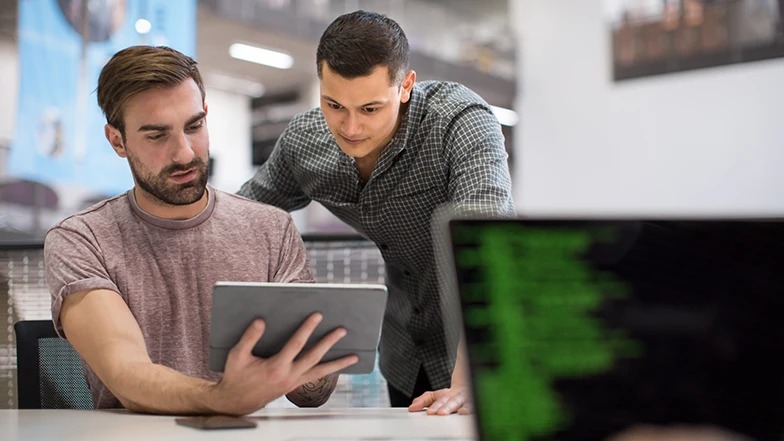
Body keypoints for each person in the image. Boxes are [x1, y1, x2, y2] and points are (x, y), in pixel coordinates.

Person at [44, 46, 358, 414]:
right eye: (157, 136)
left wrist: (312, 363)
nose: (184, 153)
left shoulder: (270, 228)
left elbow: (310, 396)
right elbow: (126, 374)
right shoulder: (82, 240)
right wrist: (221, 399)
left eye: (194, 126)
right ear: (117, 141)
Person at [238, 10, 515, 414]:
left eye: (370, 109)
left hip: (484, 349)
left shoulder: (460, 122)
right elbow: (241, 219)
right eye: (334, 105)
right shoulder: (305, 143)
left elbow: (485, 244)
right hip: (405, 356)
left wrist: (473, 375)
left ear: (405, 86)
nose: (350, 127)